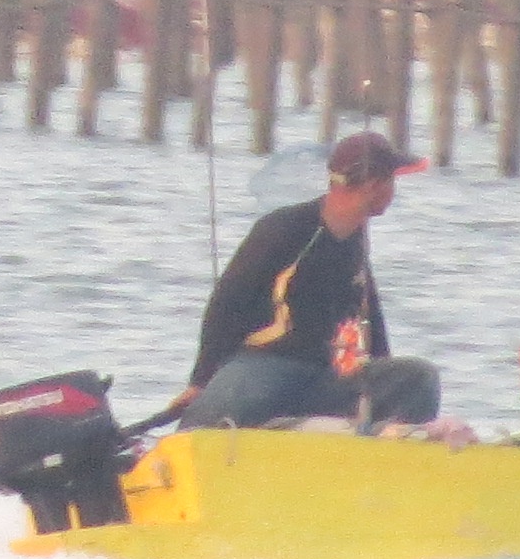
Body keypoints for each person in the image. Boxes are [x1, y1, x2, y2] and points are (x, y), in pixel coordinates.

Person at [181, 130, 441, 429]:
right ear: (373, 186)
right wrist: (201, 380)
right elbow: (226, 305)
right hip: (267, 365)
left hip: (327, 377)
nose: (394, 191)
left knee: (419, 379)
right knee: (214, 419)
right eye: (392, 182)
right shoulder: (283, 229)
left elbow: (371, 317)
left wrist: (381, 368)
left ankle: (388, 457)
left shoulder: (355, 239)